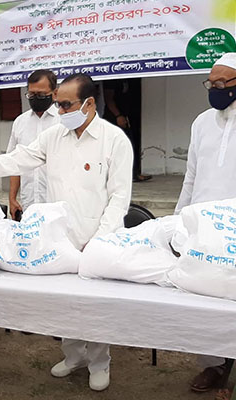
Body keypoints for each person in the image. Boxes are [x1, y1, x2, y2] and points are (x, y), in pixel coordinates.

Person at [0, 73, 133, 391]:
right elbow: (23, 157)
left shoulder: (114, 141)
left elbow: (119, 197)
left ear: (88, 104)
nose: (58, 110)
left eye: (65, 104)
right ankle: (73, 356)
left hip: (98, 239)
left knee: (94, 306)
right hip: (60, 238)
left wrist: (101, 240)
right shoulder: (55, 135)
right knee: (65, 304)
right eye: (57, 103)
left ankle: (100, 362)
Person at [174, 52, 236, 393]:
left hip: (235, 227)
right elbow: (191, 175)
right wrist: (180, 217)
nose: (214, 89)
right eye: (210, 84)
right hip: (203, 225)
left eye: (222, 84)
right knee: (204, 300)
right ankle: (212, 366)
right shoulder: (201, 122)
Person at [6, 69, 59, 219]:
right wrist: (12, 198)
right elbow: (14, 162)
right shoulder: (20, 122)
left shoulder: (63, 122)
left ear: (55, 93)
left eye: (41, 95)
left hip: (56, 202)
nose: (36, 98)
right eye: (31, 94)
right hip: (28, 201)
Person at [103, 79, 151, 182]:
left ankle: (133, 173)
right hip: (113, 118)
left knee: (129, 144)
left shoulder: (127, 78)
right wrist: (118, 115)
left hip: (124, 115)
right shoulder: (111, 79)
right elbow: (109, 99)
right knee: (120, 146)